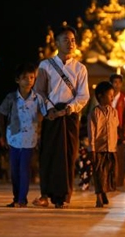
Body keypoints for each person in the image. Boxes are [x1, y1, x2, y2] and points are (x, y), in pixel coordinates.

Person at [33, 24, 90, 209]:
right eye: (65, 40)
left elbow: (84, 95)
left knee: (68, 155)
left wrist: (68, 109)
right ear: (56, 42)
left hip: (70, 116)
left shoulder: (80, 68)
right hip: (51, 116)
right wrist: (50, 110)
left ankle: (63, 196)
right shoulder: (45, 65)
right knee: (48, 154)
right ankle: (44, 194)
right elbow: (39, 91)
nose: (70, 43)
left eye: (73, 40)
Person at [0, 62, 46, 208]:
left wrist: (40, 122)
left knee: (24, 169)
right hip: (13, 139)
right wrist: (2, 135)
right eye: (25, 77)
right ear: (17, 80)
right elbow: (0, 115)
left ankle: (22, 199)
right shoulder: (11, 98)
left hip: (30, 140)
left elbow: (45, 115)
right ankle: (16, 197)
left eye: (32, 77)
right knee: (14, 171)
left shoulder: (38, 98)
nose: (29, 80)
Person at [88, 80, 119, 208]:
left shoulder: (113, 112)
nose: (112, 97)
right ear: (100, 96)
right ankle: (99, 197)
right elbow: (92, 132)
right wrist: (92, 149)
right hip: (99, 148)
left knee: (110, 173)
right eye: (110, 95)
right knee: (99, 173)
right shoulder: (95, 113)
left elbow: (116, 127)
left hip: (111, 148)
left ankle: (104, 191)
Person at [109, 73, 125, 189]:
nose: (117, 85)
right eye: (114, 82)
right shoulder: (107, 97)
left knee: (120, 157)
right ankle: (110, 181)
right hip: (108, 130)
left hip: (120, 131)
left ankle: (118, 182)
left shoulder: (124, 98)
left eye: (119, 83)